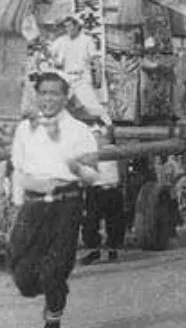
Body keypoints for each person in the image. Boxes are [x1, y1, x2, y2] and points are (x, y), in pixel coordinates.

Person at [8, 71, 100, 328]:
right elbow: (19, 170)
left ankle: (53, 316)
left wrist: (78, 169)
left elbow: (93, 176)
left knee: (55, 271)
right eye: (43, 93)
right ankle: (53, 289)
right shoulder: (25, 130)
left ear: (65, 97)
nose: (48, 99)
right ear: (37, 96)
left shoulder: (80, 131)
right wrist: (19, 202)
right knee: (23, 277)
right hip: (32, 205)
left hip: (66, 204)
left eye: (54, 93)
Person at [48, 16, 111, 126]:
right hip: (64, 78)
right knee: (56, 104)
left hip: (81, 78)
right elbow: (52, 57)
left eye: (71, 26)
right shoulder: (61, 41)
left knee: (92, 106)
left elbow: (95, 60)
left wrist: (98, 78)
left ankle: (109, 125)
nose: (68, 29)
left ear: (77, 26)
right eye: (66, 26)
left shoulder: (87, 40)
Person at [79, 125, 125, 265]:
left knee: (114, 221)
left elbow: (122, 169)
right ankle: (94, 250)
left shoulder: (114, 151)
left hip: (112, 189)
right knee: (90, 222)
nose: (98, 140)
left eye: (100, 137)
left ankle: (112, 249)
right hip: (96, 190)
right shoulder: (88, 153)